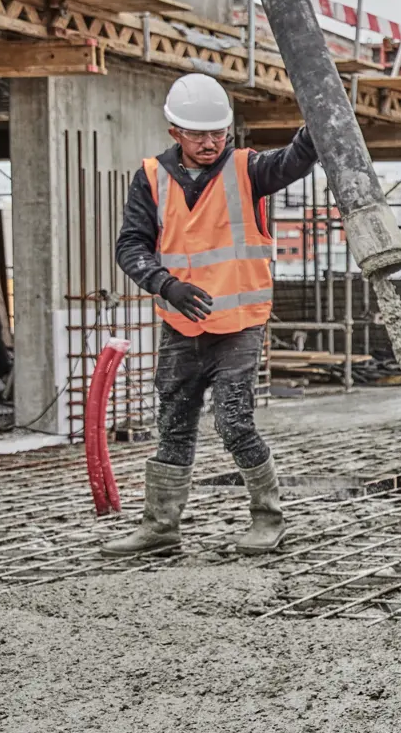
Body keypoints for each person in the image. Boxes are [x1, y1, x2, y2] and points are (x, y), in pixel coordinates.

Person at [104, 73, 318, 556]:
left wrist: (317, 123)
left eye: (218, 133)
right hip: (182, 323)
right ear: (174, 131)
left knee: (233, 420)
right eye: (198, 134)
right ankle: (161, 526)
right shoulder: (152, 177)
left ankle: (269, 517)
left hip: (240, 323)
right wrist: (166, 285)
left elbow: (294, 160)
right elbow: (131, 245)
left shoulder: (249, 169)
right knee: (174, 420)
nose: (209, 142)